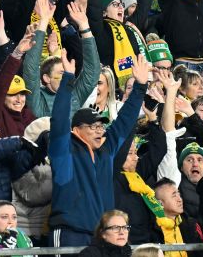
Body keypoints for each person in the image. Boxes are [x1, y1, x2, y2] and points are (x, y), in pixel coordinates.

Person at [49, 52, 150, 247]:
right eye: (92, 127)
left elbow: (124, 121)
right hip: (70, 232)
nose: (99, 131)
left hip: (102, 236)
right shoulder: (64, 150)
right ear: (76, 130)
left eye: (101, 126)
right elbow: (59, 119)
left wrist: (140, 86)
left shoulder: (106, 150)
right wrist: (68, 81)